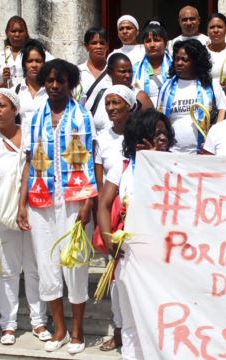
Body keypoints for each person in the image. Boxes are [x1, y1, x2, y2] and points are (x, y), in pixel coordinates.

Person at [16, 59, 96, 354]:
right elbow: (28, 162)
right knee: (47, 264)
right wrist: (22, 201)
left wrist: (89, 202)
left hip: (74, 199)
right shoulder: (35, 118)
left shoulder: (83, 117)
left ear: (70, 83)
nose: (53, 86)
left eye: (60, 81)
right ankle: (59, 329)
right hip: (41, 199)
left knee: (74, 264)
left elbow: (90, 162)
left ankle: (78, 331)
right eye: (49, 80)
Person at [0, 89, 50, 345]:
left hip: (34, 213)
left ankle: (39, 321)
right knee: (7, 271)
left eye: (2, 105)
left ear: (15, 109)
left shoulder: (31, 135)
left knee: (34, 268)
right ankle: (8, 324)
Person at [97, 108, 176, 359]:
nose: (162, 138)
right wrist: (110, 240)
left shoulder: (176, 166)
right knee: (130, 323)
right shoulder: (122, 169)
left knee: (158, 321)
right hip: (128, 257)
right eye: (156, 133)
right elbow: (104, 205)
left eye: (165, 133)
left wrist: (155, 162)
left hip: (164, 260)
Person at [94, 85, 137, 352]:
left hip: (136, 218)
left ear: (130, 106)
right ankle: (119, 330)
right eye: (107, 103)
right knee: (116, 282)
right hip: (113, 216)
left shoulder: (138, 133)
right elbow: (101, 183)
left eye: (116, 103)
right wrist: (108, 227)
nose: (111, 108)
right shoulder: (101, 138)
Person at [156, 39, 226, 154]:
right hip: (172, 153)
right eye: (177, 59)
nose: (179, 63)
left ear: (196, 62)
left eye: (185, 60)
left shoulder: (211, 85)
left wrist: (213, 138)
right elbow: (159, 119)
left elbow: (222, 110)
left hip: (203, 153)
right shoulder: (166, 88)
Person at [91, 53, 153, 133]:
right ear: (110, 73)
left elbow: (152, 126)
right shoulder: (102, 94)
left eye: (130, 71)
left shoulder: (140, 97)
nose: (127, 75)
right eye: (122, 72)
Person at [0, 16, 54, 89]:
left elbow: (55, 66)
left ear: (26, 33)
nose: (17, 35)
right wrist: (4, 82)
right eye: (13, 31)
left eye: (21, 31)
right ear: (7, 33)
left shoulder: (35, 53)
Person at [133, 22, 172, 105]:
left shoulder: (175, 66)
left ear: (165, 43)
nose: (152, 45)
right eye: (148, 41)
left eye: (157, 40)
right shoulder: (135, 70)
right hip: (144, 116)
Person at [15, 39, 49, 127]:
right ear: (24, 64)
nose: (34, 65)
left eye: (38, 61)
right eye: (30, 61)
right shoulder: (16, 91)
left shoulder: (51, 90)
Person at [78, 28, 111, 113]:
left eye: (102, 43)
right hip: (84, 124)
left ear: (107, 46)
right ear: (86, 46)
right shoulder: (78, 72)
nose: (98, 46)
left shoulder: (113, 71)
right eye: (94, 43)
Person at [205, 13, 226, 86]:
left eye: (220, 27)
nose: (215, 30)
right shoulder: (201, 53)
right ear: (207, 31)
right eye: (212, 27)